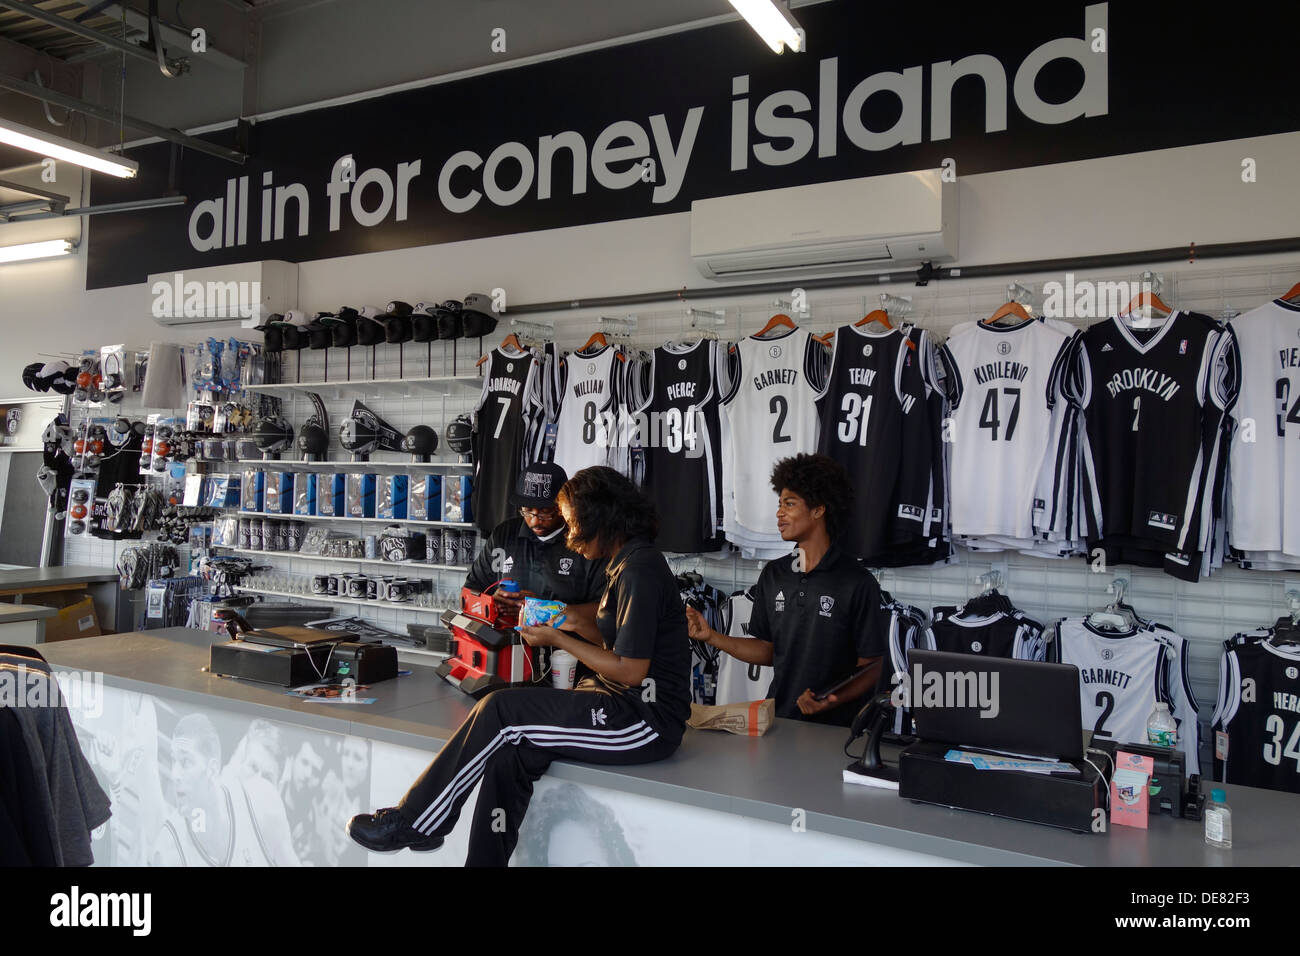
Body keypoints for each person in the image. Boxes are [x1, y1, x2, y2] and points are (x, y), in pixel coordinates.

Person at [347, 465, 691, 865]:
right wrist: (560, 616)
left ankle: (416, 821)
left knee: (500, 709)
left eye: (573, 522)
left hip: (642, 723)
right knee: (508, 754)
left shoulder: (639, 570)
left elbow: (631, 671)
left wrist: (559, 638)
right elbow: (614, 640)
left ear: (600, 519)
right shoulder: (626, 563)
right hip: (610, 700)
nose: (570, 535)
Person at [686, 453, 887, 726]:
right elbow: (768, 650)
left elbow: (873, 667)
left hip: (838, 732)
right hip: (780, 721)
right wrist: (711, 637)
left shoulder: (858, 582)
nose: (779, 513)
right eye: (779, 504)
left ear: (818, 509)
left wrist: (832, 698)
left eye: (789, 504)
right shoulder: (774, 574)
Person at [464, 460, 607, 627]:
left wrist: (544, 611)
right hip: (507, 639)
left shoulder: (585, 542)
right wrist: (491, 602)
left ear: (563, 506)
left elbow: (605, 612)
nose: (533, 521)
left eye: (545, 512)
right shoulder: (504, 535)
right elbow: (469, 593)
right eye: (527, 510)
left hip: (565, 647)